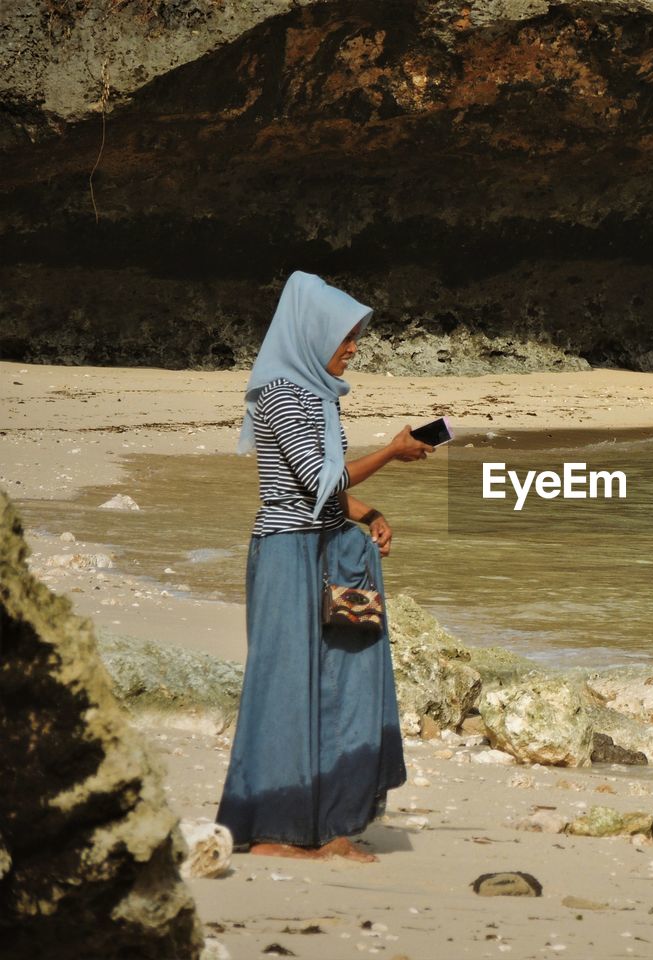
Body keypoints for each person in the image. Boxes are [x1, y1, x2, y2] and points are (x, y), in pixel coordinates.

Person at [215, 270, 432, 862]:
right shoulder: (283, 394)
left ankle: (332, 828)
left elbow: (325, 494)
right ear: (312, 336)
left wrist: (370, 513)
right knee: (286, 689)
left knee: (341, 686)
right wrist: (391, 451)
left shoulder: (315, 394)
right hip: (288, 557)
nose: (354, 348)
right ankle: (271, 832)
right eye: (345, 338)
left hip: (325, 549)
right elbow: (319, 481)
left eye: (356, 337)